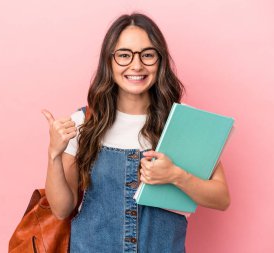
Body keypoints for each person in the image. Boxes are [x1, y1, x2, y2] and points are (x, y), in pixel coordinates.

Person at [42, 13, 230, 253]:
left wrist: (175, 176)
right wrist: (54, 154)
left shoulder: (184, 122)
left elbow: (221, 198)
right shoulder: (84, 122)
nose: (137, 65)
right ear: (109, 62)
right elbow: (61, 209)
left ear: (160, 61)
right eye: (124, 55)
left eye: (148, 55)